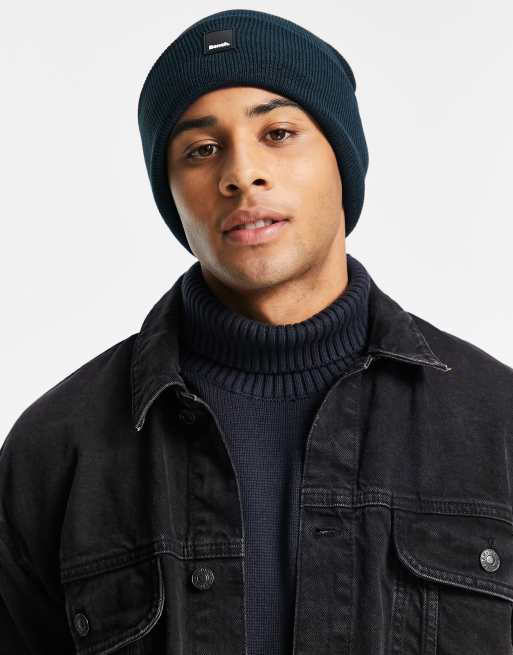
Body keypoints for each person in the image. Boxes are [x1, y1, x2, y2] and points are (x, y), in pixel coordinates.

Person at [2, 8, 513, 655]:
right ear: (171, 193)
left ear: (342, 159)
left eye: (277, 132)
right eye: (201, 149)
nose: (241, 173)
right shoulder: (57, 450)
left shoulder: (496, 422)